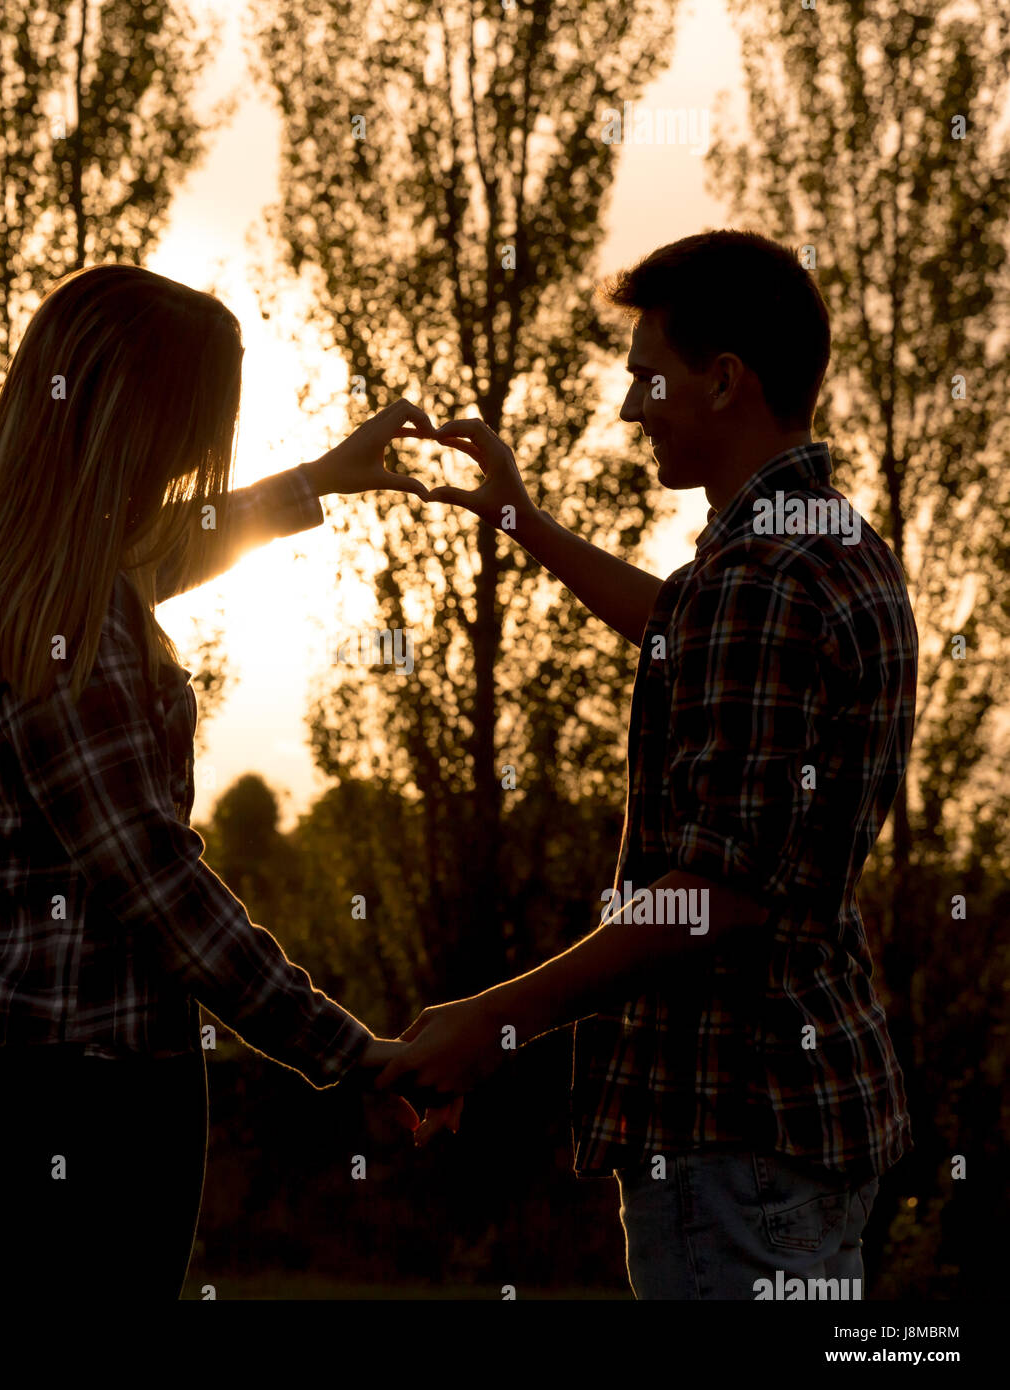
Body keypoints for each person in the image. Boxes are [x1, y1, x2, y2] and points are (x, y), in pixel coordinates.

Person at [0, 263, 444, 1302]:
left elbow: (162, 548)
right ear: (141, 426)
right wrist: (349, 1051)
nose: (194, 463)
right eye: (191, 433)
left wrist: (319, 479)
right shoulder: (72, 625)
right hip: (88, 1090)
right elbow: (157, 891)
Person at [378, 230, 916, 1300]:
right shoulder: (824, 545)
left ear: (724, 381)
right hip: (810, 1107)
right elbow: (683, 626)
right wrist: (519, 522)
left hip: (728, 1119)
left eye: (646, 378)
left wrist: (496, 1019)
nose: (630, 410)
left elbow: (718, 893)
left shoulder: (757, 576)